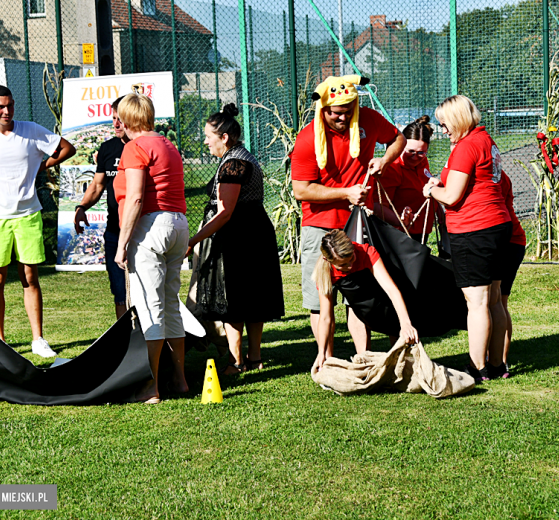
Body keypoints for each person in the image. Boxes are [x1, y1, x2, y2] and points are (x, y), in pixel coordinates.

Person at [291, 74, 405, 352]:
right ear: (323, 108)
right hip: (320, 226)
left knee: (360, 295)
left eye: (349, 111)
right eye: (337, 114)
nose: (344, 118)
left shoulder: (368, 118)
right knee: (321, 301)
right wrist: (345, 193)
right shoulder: (307, 138)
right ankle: (325, 360)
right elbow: (301, 190)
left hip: (358, 223)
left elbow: (398, 139)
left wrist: (384, 160)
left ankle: (363, 356)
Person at [0, 85, 76, 357]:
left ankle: (38, 339)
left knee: (30, 277)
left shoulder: (30, 130)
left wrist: (41, 166)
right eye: (0, 106)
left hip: (28, 214)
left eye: (10, 105)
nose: (6, 111)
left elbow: (67, 148)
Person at [186, 104, 284, 375]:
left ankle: (236, 361)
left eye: (208, 136)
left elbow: (225, 212)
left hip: (240, 235)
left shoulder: (234, 163)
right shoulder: (241, 156)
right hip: (254, 232)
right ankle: (254, 358)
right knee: (252, 298)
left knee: (234, 300)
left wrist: (193, 240)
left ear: (224, 137)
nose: (205, 141)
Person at [424, 95, 511, 382]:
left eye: (444, 123)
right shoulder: (485, 140)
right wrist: (441, 179)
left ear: (458, 119)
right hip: (498, 226)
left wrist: (430, 191)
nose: (442, 129)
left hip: (474, 229)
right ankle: (497, 364)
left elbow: (451, 197)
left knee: (476, 302)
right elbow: (464, 178)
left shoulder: (465, 147)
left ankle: (477, 367)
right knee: (494, 299)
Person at [114, 93, 189, 404]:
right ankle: (180, 380)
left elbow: (135, 198)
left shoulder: (135, 147)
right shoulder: (167, 144)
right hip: (178, 223)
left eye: (119, 116)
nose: (116, 122)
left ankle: (151, 386)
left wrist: (121, 245)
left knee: (149, 306)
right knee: (170, 303)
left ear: (128, 119)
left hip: (151, 226)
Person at [311, 229, 418, 371]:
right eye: (343, 265)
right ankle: (364, 362)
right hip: (355, 298)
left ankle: (402, 360)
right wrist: (321, 352)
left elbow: (392, 290)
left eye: (351, 259)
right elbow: (325, 317)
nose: (349, 266)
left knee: (393, 319)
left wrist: (406, 324)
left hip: (376, 291)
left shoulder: (367, 252)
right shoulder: (324, 271)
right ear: (328, 260)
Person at [74, 96, 128, 320]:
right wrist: (82, 207)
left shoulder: (145, 147)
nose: (115, 124)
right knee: (120, 293)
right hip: (115, 232)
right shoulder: (108, 148)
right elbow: (97, 185)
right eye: (113, 119)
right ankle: (127, 343)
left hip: (142, 232)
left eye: (120, 119)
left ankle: (152, 345)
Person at [374, 115, 436, 243]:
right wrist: (400, 220)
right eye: (410, 151)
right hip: (400, 234)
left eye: (421, 152)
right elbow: (379, 206)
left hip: (421, 229)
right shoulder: (392, 168)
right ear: (401, 146)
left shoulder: (422, 162)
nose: (415, 157)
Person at [498, 171, 526, 375]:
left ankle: (501, 360)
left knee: (499, 301)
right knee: (494, 301)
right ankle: (495, 357)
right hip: (504, 238)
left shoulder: (495, 175)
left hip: (508, 240)